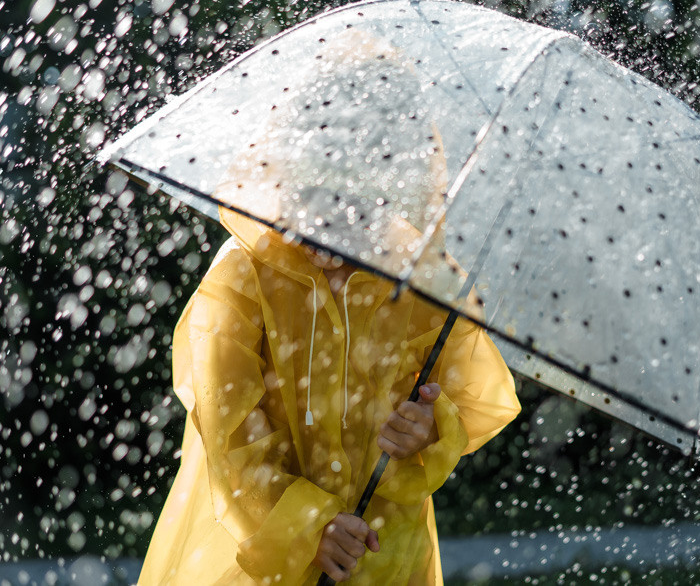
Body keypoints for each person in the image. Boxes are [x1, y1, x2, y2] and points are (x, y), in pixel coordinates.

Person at [138, 30, 520, 584]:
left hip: (385, 557)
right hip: (259, 559)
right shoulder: (244, 276)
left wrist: (431, 428)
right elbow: (230, 431)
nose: (332, 235)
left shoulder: (424, 284)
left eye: (359, 209)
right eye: (316, 200)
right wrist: (308, 526)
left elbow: (474, 397)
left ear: (395, 192)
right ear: (288, 172)